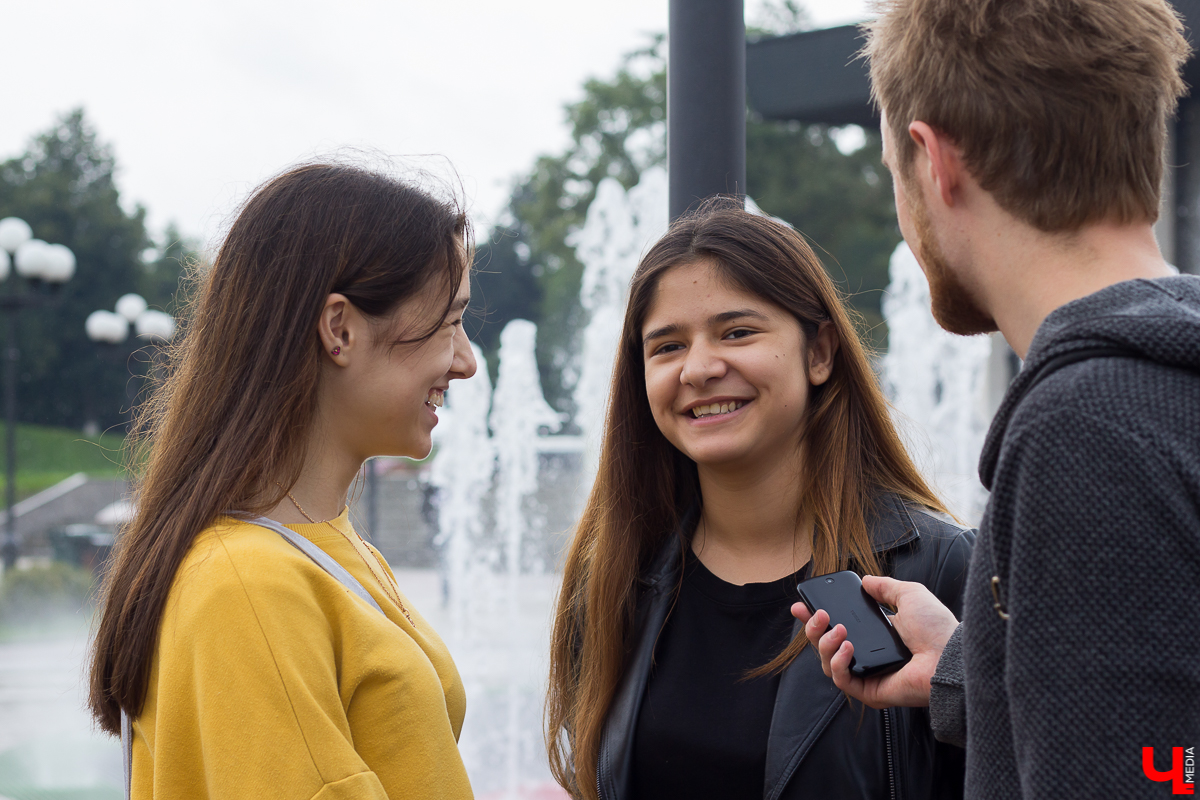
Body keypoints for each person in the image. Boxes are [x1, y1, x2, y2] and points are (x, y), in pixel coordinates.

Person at [796, 1, 1200, 797]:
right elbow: (1171, 746)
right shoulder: (1170, 373)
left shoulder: (1087, 425)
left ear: (934, 161)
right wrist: (971, 666)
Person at [546, 201, 976, 800]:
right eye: (666, 347)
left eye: (737, 332)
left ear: (820, 352)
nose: (698, 368)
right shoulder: (617, 574)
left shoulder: (935, 567)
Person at [87, 163, 478, 799]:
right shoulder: (248, 586)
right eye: (449, 321)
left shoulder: (316, 546)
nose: (464, 362)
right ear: (341, 329)